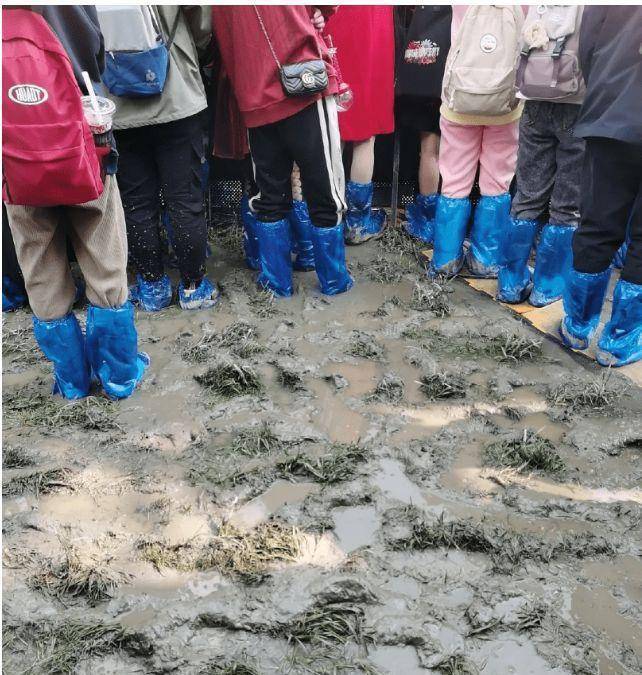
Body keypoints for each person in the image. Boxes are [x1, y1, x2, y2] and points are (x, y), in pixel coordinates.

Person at [3, 5, 148, 400]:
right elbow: (92, 49)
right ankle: (119, 377)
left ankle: (71, 382)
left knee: (39, 266)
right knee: (105, 256)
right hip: (82, 140)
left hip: (15, 156)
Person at [211, 5, 353, 298]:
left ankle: (277, 285)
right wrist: (319, 13)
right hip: (305, 81)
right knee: (326, 191)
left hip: (253, 91)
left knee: (271, 196)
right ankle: (335, 283)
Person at [104, 5, 218, 311]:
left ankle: (152, 287)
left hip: (118, 97)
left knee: (137, 201)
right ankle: (194, 287)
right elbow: (202, 21)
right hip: (175, 90)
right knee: (184, 198)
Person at [559, 5, 642, 367]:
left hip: (611, 109)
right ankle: (621, 340)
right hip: (613, 107)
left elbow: (588, 40)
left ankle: (578, 325)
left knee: (596, 224)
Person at [498, 5, 586, 306]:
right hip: (576, 103)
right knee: (567, 204)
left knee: (528, 194)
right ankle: (548, 286)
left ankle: (510, 282)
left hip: (534, 98)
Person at [429, 5, 524, 279]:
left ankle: (445, 259)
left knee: (454, 178)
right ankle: (486, 259)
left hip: (460, 96)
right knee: (497, 179)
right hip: (505, 103)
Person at [325, 5, 395, 244]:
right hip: (372, 26)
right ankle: (357, 222)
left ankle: (328, 221)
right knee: (365, 134)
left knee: (333, 133)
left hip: (333, 24)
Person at [396, 5, 452, 244]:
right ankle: (436, 219)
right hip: (447, 74)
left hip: (418, 69)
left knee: (428, 150)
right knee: (437, 152)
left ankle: (425, 218)